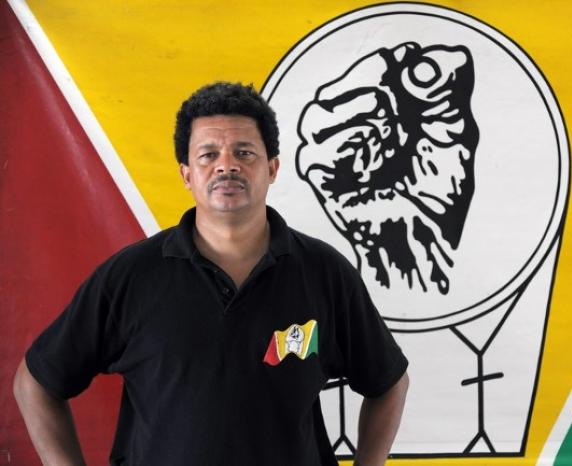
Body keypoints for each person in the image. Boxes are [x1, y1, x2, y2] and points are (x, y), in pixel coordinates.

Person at [13, 82, 409, 466]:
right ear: (186, 174)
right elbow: (35, 383)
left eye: (244, 152)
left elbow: (389, 382)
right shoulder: (130, 276)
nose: (226, 165)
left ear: (272, 168)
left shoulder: (324, 272)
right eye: (208, 154)